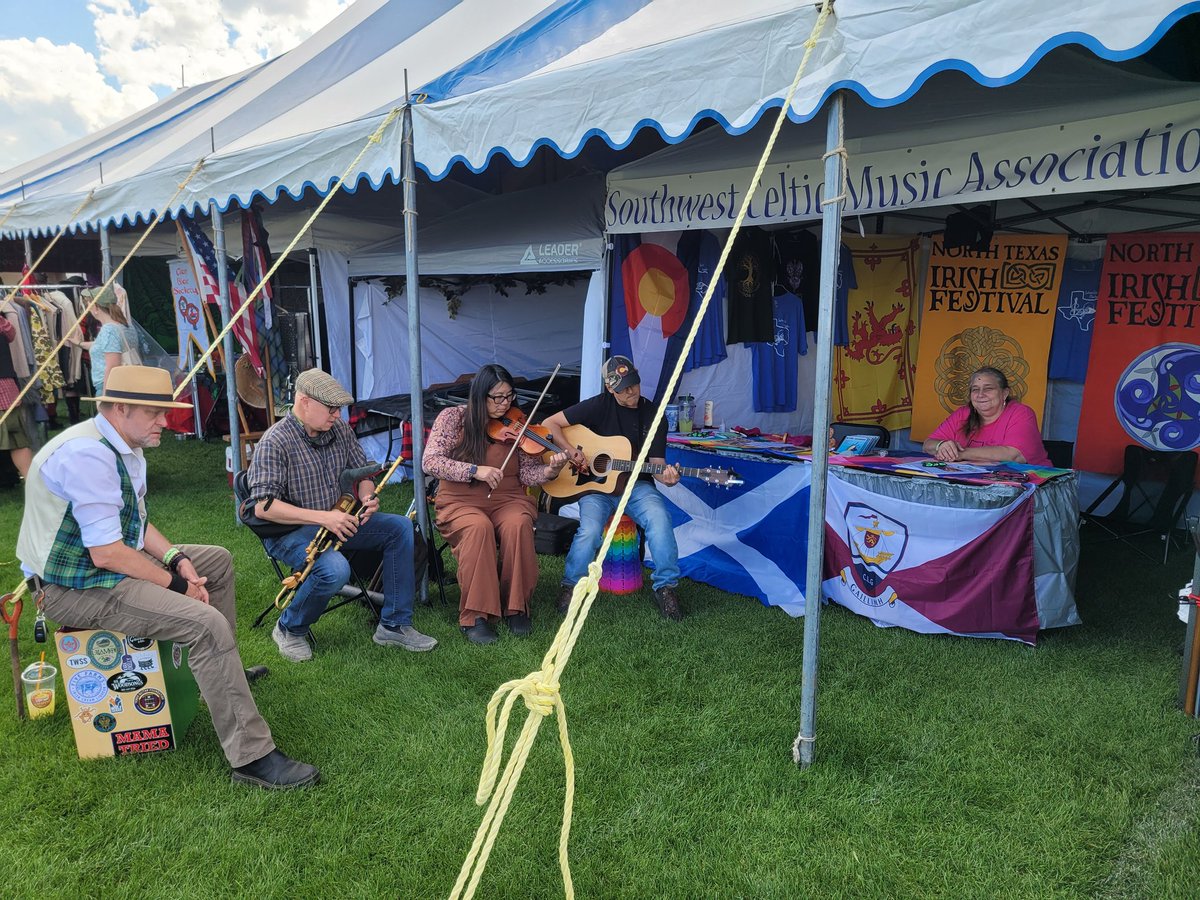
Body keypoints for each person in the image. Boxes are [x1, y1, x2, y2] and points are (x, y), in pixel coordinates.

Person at [16, 365, 317, 790]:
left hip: (96, 565)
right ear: (120, 408)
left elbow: (134, 524)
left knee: (216, 562)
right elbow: (108, 554)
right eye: (155, 413)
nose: (166, 422)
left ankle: (219, 672)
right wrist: (178, 585)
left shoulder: (118, 442)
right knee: (205, 624)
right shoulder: (89, 455)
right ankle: (252, 759)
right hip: (68, 588)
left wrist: (178, 560)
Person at [247, 368, 435, 661]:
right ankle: (289, 628)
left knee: (400, 528)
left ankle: (394, 625)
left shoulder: (340, 429)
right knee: (334, 569)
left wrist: (366, 496)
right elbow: (263, 506)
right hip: (290, 531)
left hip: (339, 519)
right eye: (331, 409)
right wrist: (323, 518)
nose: (337, 415)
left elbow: (364, 472)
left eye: (339, 409)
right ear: (304, 402)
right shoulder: (275, 441)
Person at [422, 364, 570, 644]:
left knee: (518, 524)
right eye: (497, 398)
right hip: (461, 500)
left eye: (509, 396)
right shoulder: (453, 418)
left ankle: (516, 607)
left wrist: (550, 472)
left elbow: (527, 473)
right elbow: (430, 461)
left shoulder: (518, 422)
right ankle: (476, 615)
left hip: (508, 497)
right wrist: (474, 470)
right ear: (480, 396)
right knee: (478, 527)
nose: (505, 405)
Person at [543, 356, 685, 621]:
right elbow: (550, 423)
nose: (631, 391)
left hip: (636, 484)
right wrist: (572, 450)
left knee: (660, 519)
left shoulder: (654, 415)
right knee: (590, 531)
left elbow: (657, 464)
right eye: (623, 388)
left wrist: (668, 477)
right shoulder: (598, 405)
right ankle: (570, 585)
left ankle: (666, 587)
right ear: (610, 388)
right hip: (595, 487)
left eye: (634, 384)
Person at [922, 366, 1052, 466]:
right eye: (975, 389)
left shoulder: (1021, 413)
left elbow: (1014, 455)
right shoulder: (963, 413)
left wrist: (959, 454)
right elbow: (928, 445)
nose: (980, 394)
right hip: (974, 484)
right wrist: (941, 446)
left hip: (1028, 487)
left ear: (1004, 393)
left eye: (988, 388)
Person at [79, 287, 138, 393]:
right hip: (128, 383)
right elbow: (103, 345)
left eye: (89, 304)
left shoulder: (109, 330)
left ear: (96, 307)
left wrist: (106, 396)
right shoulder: (126, 326)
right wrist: (79, 343)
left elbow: (112, 367)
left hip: (111, 386)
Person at [0, 312, 33, 477]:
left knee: (17, 439)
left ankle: (31, 480)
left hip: (4, 388)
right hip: (7, 387)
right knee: (17, 439)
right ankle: (30, 480)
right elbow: (10, 332)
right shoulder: (2, 322)